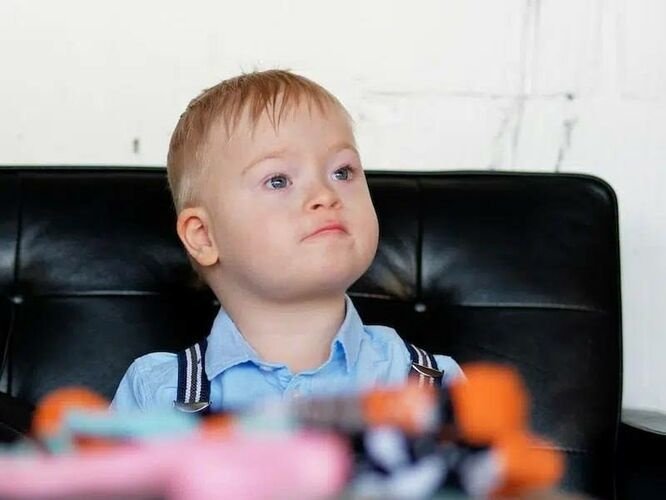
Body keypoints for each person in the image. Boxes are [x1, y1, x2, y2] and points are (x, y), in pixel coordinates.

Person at [111, 70, 462, 412]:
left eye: (342, 172)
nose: (325, 195)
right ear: (203, 236)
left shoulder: (436, 385)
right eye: (278, 180)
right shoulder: (156, 393)